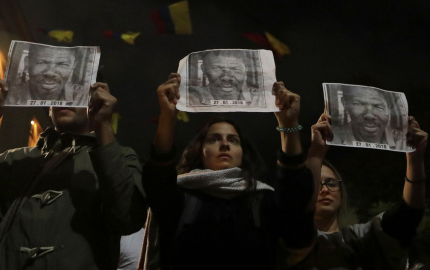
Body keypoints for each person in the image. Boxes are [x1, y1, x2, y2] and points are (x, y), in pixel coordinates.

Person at [0, 78, 147, 269]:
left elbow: (127, 219)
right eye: (55, 89)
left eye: (77, 88)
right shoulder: (9, 161)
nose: (64, 96)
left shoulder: (119, 158)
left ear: (97, 97)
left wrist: (103, 126)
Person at [141, 73, 319, 269]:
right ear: (201, 151)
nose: (225, 144)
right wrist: (167, 118)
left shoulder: (261, 199)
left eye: (233, 140)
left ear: (242, 153)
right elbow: (157, 179)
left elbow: (295, 208)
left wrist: (289, 124)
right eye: (214, 139)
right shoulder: (180, 197)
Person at [292, 113, 427, 269]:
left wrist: (415, 159)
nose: (324, 190)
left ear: (341, 193)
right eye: (316, 183)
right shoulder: (287, 245)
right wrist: (316, 153)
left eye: (331, 183)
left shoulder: (364, 238)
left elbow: (407, 215)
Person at [9, 44, 87, 106]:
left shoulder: (83, 96)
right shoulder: (9, 96)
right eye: (42, 62)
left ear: (73, 66)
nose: (50, 73)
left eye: (62, 64)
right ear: (27, 63)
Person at [188, 50, 264, 106]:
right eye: (217, 68)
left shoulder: (260, 98)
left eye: (235, 69)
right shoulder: (190, 98)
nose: (226, 77)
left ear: (246, 71)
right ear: (204, 70)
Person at [337, 87, 404, 149]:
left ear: (389, 109)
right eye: (359, 104)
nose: (369, 115)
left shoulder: (404, 142)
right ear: (345, 104)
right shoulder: (332, 137)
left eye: (378, 106)